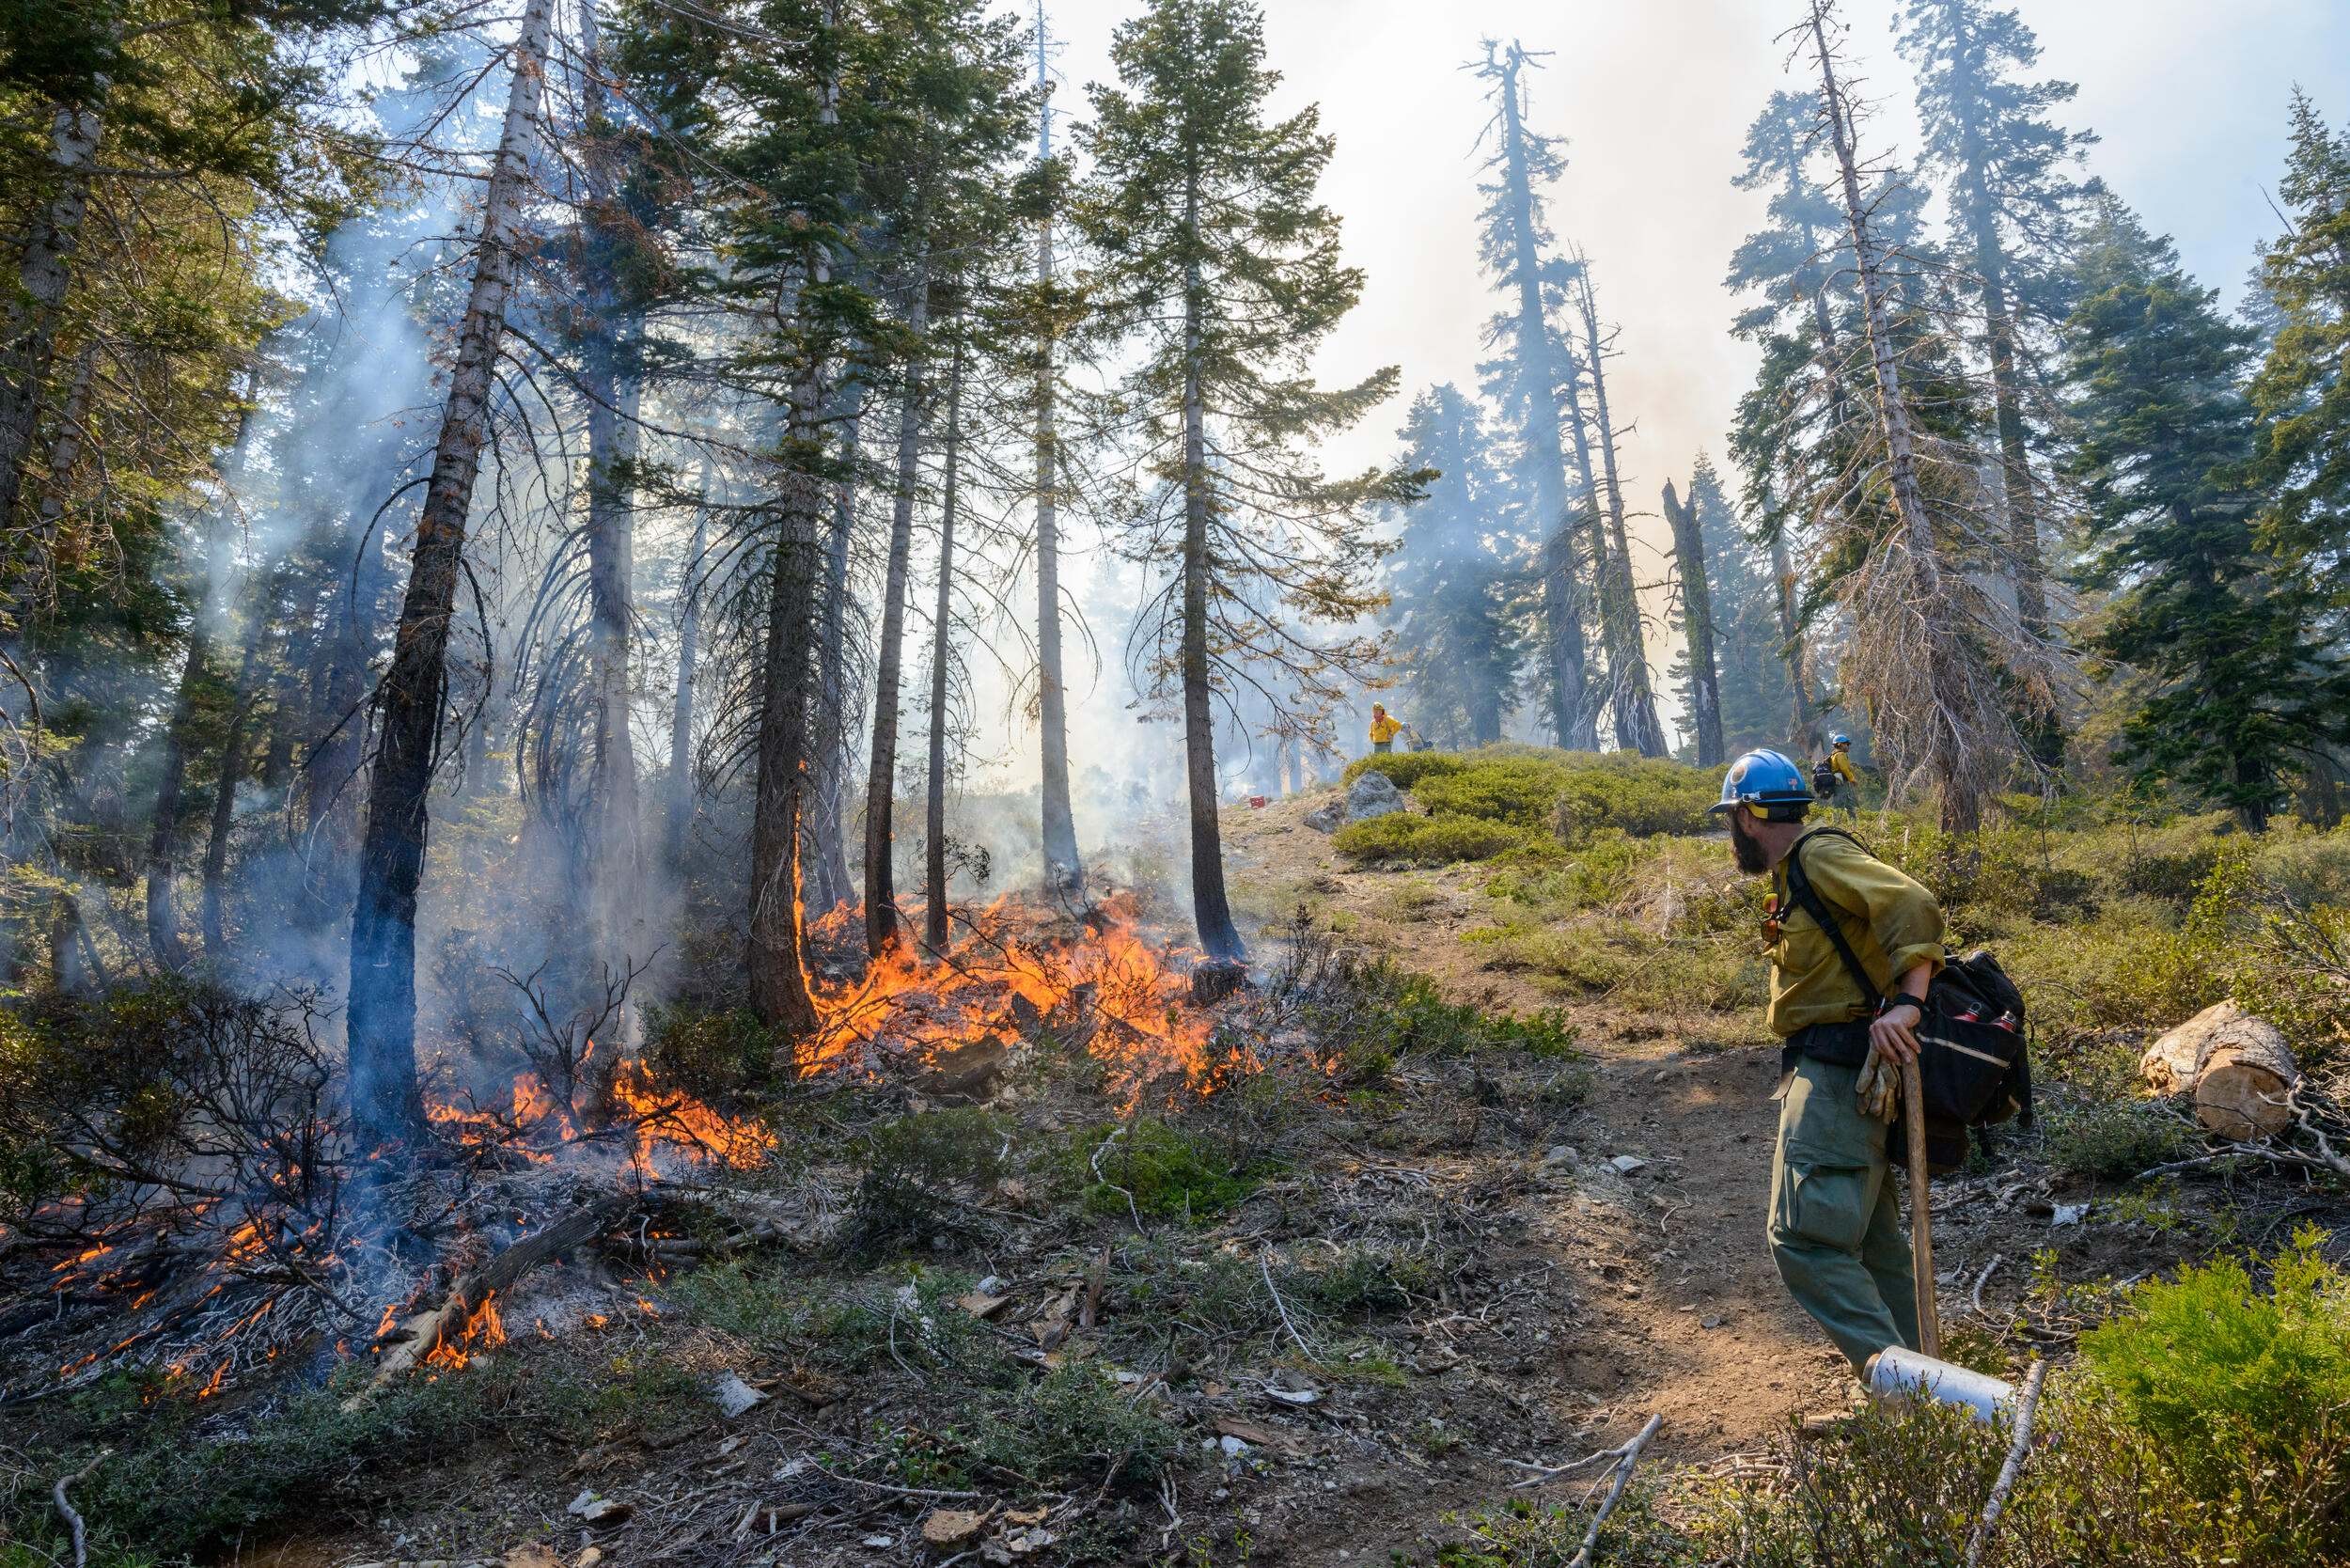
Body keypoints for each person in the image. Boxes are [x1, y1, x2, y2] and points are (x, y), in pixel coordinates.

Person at [1708, 748, 1947, 1372]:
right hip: (1843, 1073)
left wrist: (1910, 1005)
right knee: (1873, 1243)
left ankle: (1915, 1398)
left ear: (1752, 818)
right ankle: (1938, 1398)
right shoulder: (1796, 875)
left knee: (1804, 1241)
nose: (1732, 833)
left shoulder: (1819, 857)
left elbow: (1913, 903)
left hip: (1840, 1075)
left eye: (1733, 819)